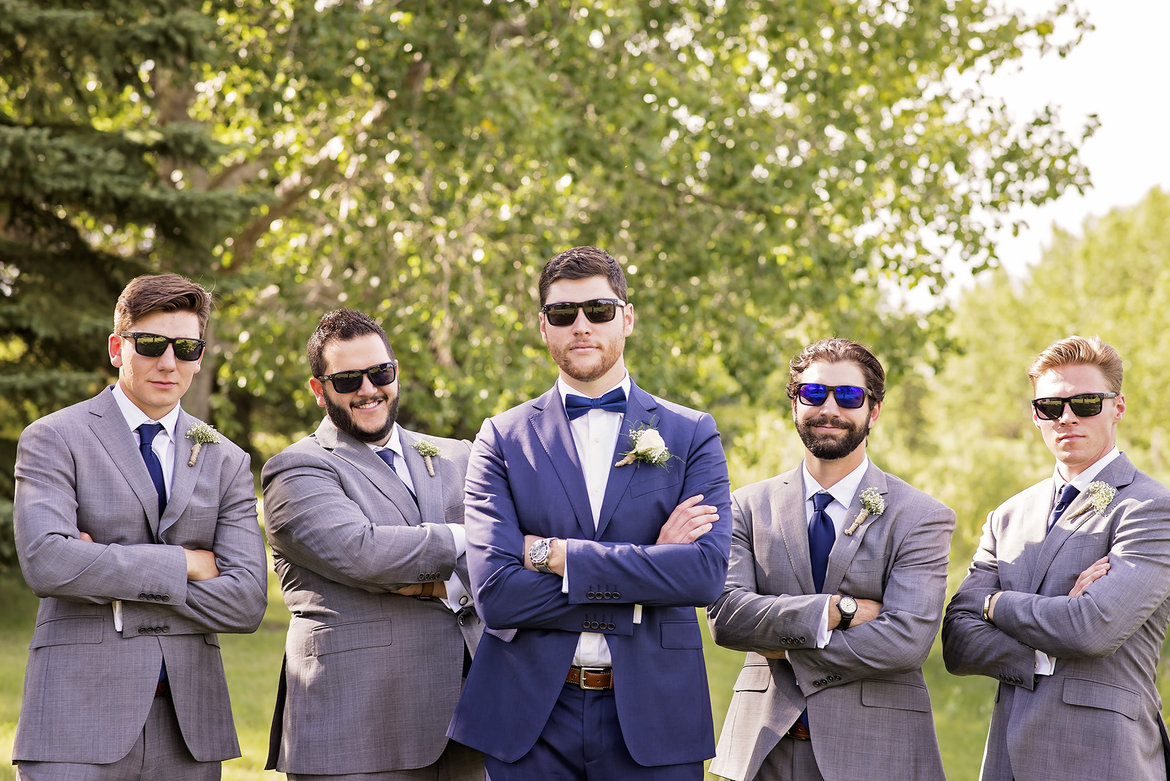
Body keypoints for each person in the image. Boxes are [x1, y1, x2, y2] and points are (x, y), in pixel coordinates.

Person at [446, 246, 732, 780]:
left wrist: (556, 555)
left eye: (597, 311)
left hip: (656, 716)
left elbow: (704, 575)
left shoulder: (691, 433)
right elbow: (497, 595)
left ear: (627, 317)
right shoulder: (502, 437)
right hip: (527, 719)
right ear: (543, 327)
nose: (581, 325)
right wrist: (651, 568)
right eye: (563, 314)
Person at [11, 273, 268, 780]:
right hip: (74, 719)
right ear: (117, 347)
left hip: (189, 728)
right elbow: (49, 563)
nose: (168, 362)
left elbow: (246, 600)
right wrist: (188, 565)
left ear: (199, 357)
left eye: (186, 346)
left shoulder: (228, 460)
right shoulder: (54, 438)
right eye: (150, 343)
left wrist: (101, 569)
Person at [707, 337, 955, 781]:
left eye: (848, 396)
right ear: (794, 404)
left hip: (877, 754)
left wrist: (783, 643)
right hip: (764, 750)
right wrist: (835, 611)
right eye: (813, 393)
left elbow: (906, 640)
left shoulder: (922, 516)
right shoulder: (744, 506)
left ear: (872, 411)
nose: (829, 408)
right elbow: (727, 617)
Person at [262, 308, 484, 781]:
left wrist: (440, 585)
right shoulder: (295, 469)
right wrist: (469, 539)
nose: (368, 389)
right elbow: (363, 552)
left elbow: (515, 549)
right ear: (318, 390)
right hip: (355, 725)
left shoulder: (458, 454)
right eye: (347, 379)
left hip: (470, 719)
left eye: (380, 372)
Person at [942, 335, 1170, 781]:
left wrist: (995, 606)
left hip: (1107, 757)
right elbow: (957, 640)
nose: (1066, 418)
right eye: (1050, 406)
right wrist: (1044, 647)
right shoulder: (1007, 516)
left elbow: (1091, 628)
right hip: (1007, 760)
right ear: (1036, 415)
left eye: (1085, 403)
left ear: (1117, 407)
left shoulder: (1150, 508)